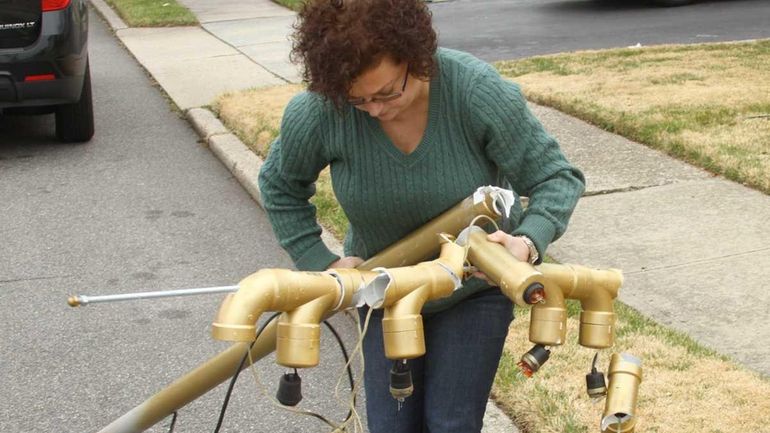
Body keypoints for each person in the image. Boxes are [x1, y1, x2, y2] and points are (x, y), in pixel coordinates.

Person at [257, 0, 585, 431]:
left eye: (388, 92)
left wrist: (526, 242)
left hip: (470, 291)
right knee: (392, 425)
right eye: (359, 100)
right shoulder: (321, 111)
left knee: (450, 422)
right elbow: (280, 185)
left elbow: (557, 177)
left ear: (417, 57)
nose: (375, 109)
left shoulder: (474, 90)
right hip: (384, 290)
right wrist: (322, 265)